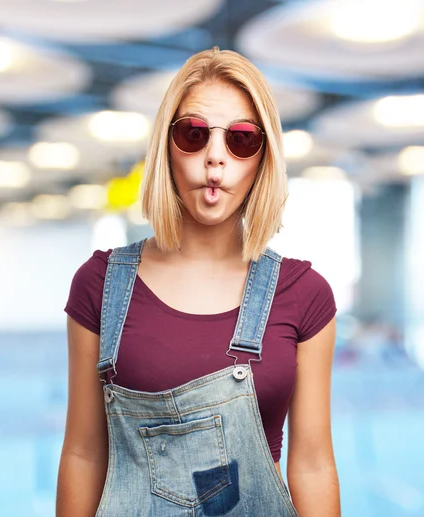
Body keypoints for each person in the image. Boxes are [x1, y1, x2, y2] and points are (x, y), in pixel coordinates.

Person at [57, 47, 340, 516]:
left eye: (241, 139)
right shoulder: (100, 285)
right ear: (166, 147)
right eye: (193, 134)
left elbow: (311, 465)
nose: (214, 159)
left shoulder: (305, 295)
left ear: (263, 158)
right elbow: (84, 455)